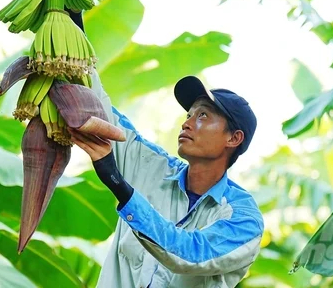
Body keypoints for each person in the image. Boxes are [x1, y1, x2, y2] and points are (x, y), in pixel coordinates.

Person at [67, 71, 264, 288]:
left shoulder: (245, 221)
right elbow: (100, 111)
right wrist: (80, 58)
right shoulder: (152, 167)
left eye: (203, 116)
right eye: (189, 115)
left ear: (233, 138)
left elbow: (192, 254)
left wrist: (120, 188)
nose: (186, 123)